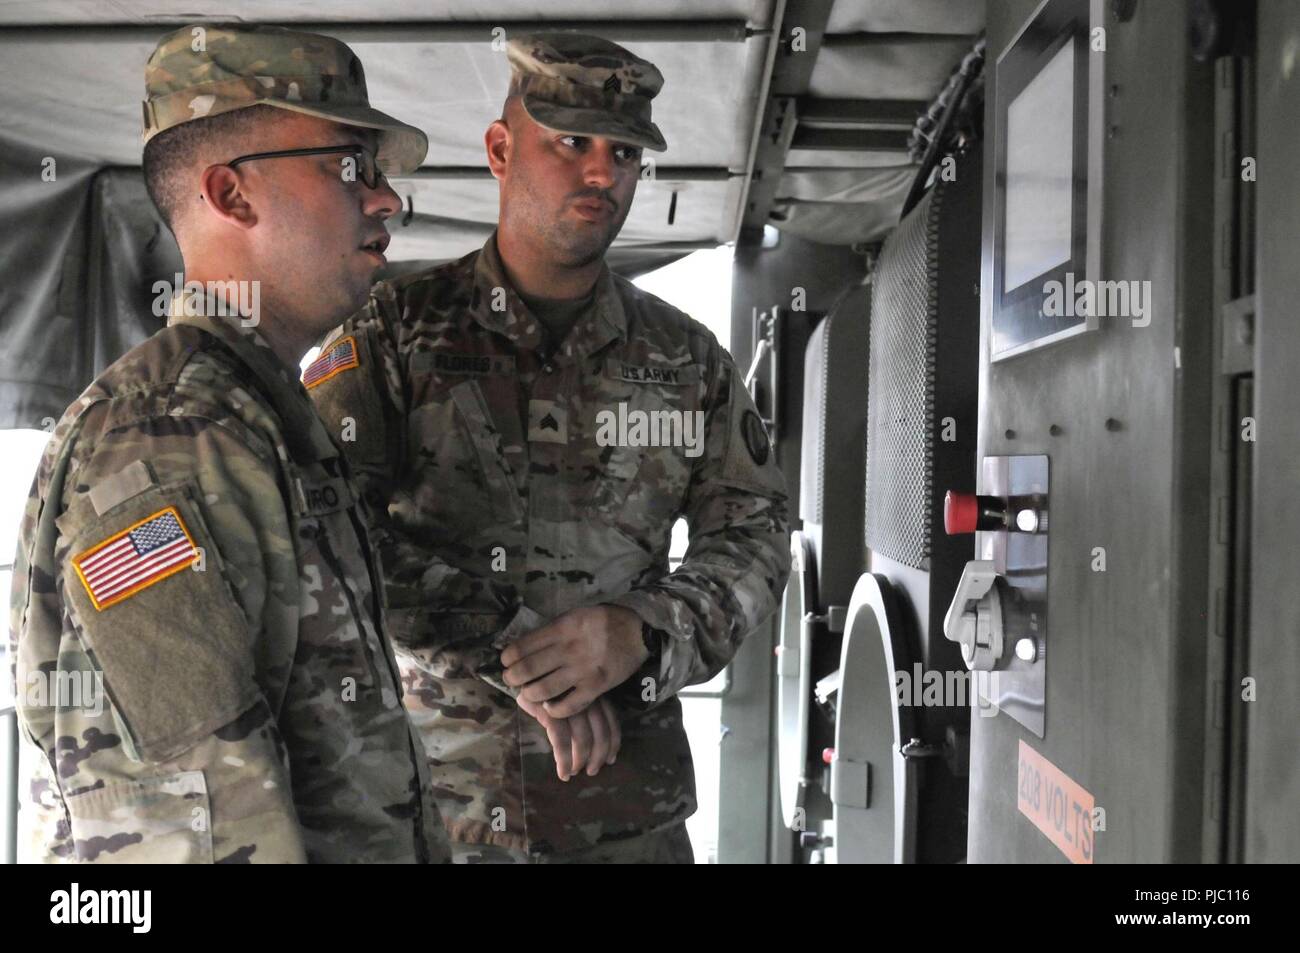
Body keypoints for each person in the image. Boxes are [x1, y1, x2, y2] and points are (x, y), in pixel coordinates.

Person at [308, 33, 791, 863]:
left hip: (626, 817)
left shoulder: (687, 360)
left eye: (625, 153)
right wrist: (519, 652)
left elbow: (754, 533)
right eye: (571, 142)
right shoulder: (395, 337)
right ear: (501, 150)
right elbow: (323, 531)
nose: (603, 174)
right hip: (437, 810)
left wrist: (642, 634)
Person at [8, 22, 447, 863]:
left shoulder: (258, 414)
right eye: (351, 166)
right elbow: (190, 833)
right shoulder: (175, 436)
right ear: (233, 196)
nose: (386, 198)